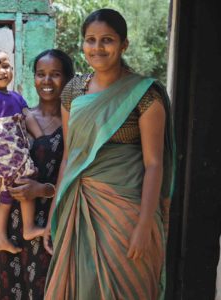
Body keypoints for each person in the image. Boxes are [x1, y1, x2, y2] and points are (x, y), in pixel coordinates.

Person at [43, 8, 176, 300]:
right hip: (78, 206)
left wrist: (144, 225)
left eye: (107, 40)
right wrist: (55, 213)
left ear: (124, 44)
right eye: (90, 40)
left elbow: (154, 164)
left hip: (126, 213)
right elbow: (69, 156)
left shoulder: (145, 95)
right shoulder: (73, 92)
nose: (98, 48)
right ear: (82, 44)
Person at [0, 49, 74, 299]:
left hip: (50, 218)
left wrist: (42, 190)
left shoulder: (75, 125)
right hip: (12, 217)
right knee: (9, 286)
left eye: (55, 74)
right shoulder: (18, 117)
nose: (46, 81)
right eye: (41, 74)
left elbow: (79, 177)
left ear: (68, 79)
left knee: (44, 287)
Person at [0, 48, 45, 254]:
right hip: (1, 153)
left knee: (10, 192)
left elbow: (28, 118)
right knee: (23, 182)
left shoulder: (16, 97)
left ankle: (2, 237)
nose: (2, 71)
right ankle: (27, 228)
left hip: (17, 153)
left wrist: (42, 139)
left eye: (5, 66)